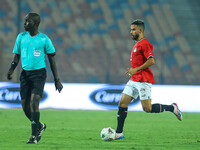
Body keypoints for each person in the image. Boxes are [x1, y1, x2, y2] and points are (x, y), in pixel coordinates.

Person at [115, 19, 182, 140]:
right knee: (122, 103)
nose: (131, 32)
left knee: (147, 109)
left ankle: (172, 108)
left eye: (133, 29)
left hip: (143, 80)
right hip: (134, 80)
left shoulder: (145, 44)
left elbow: (151, 60)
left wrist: (136, 69)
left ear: (140, 30)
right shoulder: (137, 44)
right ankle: (119, 133)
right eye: (130, 29)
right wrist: (133, 71)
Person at [7, 13, 63, 144]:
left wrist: (57, 79)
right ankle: (39, 126)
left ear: (36, 23)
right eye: (25, 21)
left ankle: (33, 136)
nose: (25, 23)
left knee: (34, 101)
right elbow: (16, 55)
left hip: (39, 74)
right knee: (25, 107)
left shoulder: (44, 39)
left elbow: (52, 60)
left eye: (28, 21)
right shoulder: (21, 37)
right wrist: (11, 69)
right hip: (25, 74)